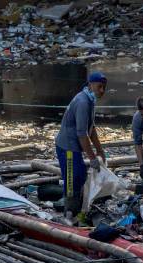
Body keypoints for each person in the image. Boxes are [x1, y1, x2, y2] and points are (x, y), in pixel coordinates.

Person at [55, 72, 108, 215]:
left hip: (74, 146)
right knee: (73, 179)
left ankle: (77, 209)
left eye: (104, 87)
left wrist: (100, 151)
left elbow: (91, 128)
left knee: (81, 176)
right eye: (99, 86)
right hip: (67, 146)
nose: (102, 90)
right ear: (90, 85)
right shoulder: (83, 102)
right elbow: (82, 134)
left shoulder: (90, 100)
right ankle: (70, 213)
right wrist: (92, 158)